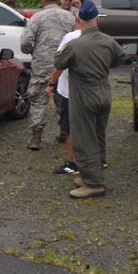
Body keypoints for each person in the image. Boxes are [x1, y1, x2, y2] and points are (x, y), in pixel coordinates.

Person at [53, 0, 126, 199]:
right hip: (104, 93)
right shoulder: (109, 41)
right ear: (97, 21)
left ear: (78, 20)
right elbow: (121, 58)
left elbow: (58, 61)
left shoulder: (74, 45)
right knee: (98, 136)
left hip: (84, 96)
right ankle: (91, 175)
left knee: (84, 139)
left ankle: (94, 185)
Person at [19, 0, 75, 150]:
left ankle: (36, 137)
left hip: (42, 65)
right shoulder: (69, 17)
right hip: (63, 65)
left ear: (43, 0)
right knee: (63, 98)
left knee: (38, 100)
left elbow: (25, 43)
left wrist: (33, 52)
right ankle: (65, 133)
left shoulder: (37, 18)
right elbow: (75, 39)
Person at [46, 25, 82, 174]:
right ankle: (99, 160)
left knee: (70, 128)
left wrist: (51, 84)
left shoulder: (70, 38)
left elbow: (60, 64)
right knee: (92, 126)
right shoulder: (102, 38)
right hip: (92, 92)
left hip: (69, 91)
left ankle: (72, 163)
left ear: (77, 19)